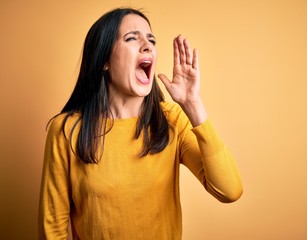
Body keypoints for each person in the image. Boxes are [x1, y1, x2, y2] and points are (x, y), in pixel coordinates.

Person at [38, 7, 242, 240]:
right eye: (132, 38)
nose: (147, 45)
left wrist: (193, 105)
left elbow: (230, 191)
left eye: (151, 40)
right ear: (104, 60)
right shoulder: (66, 130)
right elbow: (52, 227)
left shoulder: (172, 120)